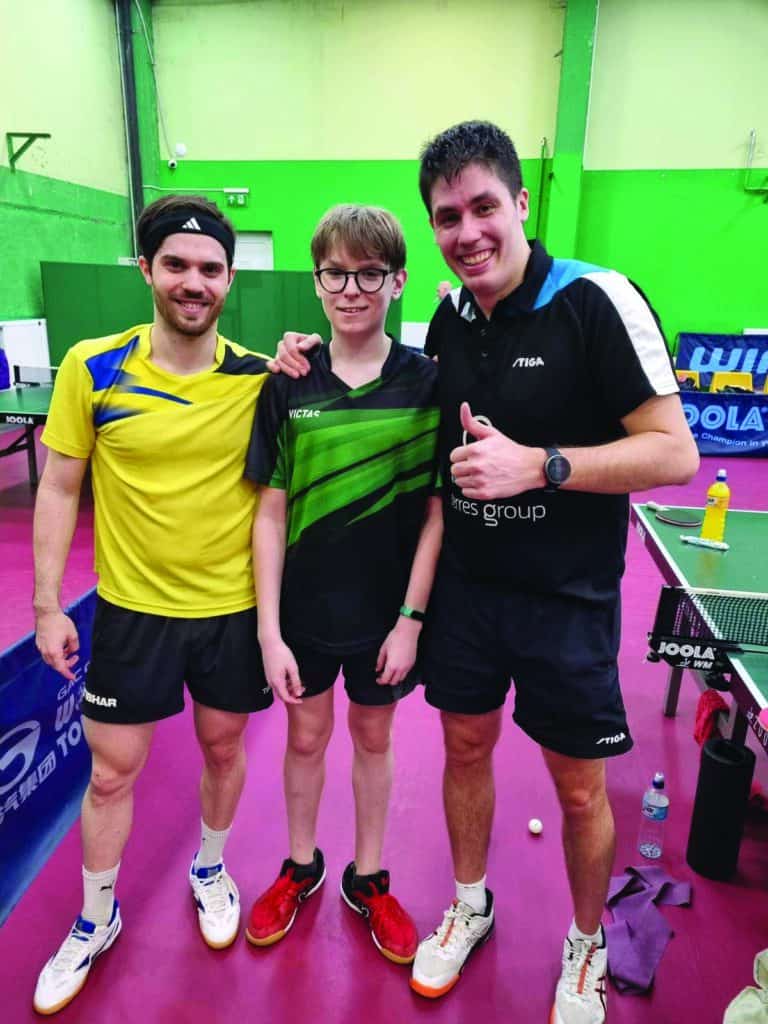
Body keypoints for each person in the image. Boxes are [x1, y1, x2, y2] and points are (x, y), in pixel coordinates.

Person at [270, 122, 700, 1023]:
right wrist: (296, 350)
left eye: (482, 208)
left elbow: (673, 454)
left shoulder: (597, 300)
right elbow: (378, 369)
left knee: (578, 787)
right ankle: (469, 903)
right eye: (447, 216)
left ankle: (584, 946)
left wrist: (541, 464)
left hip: (567, 599)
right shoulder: (450, 317)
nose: (467, 231)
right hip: (468, 592)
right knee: (465, 748)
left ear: (521, 205)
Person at [32, 195, 274, 1015]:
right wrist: (45, 605)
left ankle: (210, 867)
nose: (193, 282)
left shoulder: (258, 376)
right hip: (131, 612)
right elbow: (60, 484)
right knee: (109, 775)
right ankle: (96, 918)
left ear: (230, 279)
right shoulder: (91, 367)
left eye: (209, 269)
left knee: (222, 748)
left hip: (231, 611)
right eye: (176, 264)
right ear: (146, 269)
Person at [243, 204, 442, 966]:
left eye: (369, 273)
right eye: (335, 272)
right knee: (305, 736)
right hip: (303, 612)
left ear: (397, 280)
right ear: (317, 279)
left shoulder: (425, 382)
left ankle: (367, 877)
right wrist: (268, 629)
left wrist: (411, 620)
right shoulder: (290, 380)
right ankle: (302, 867)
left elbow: (434, 513)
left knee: (373, 735)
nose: (350, 288)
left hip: (384, 612)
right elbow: (269, 510)